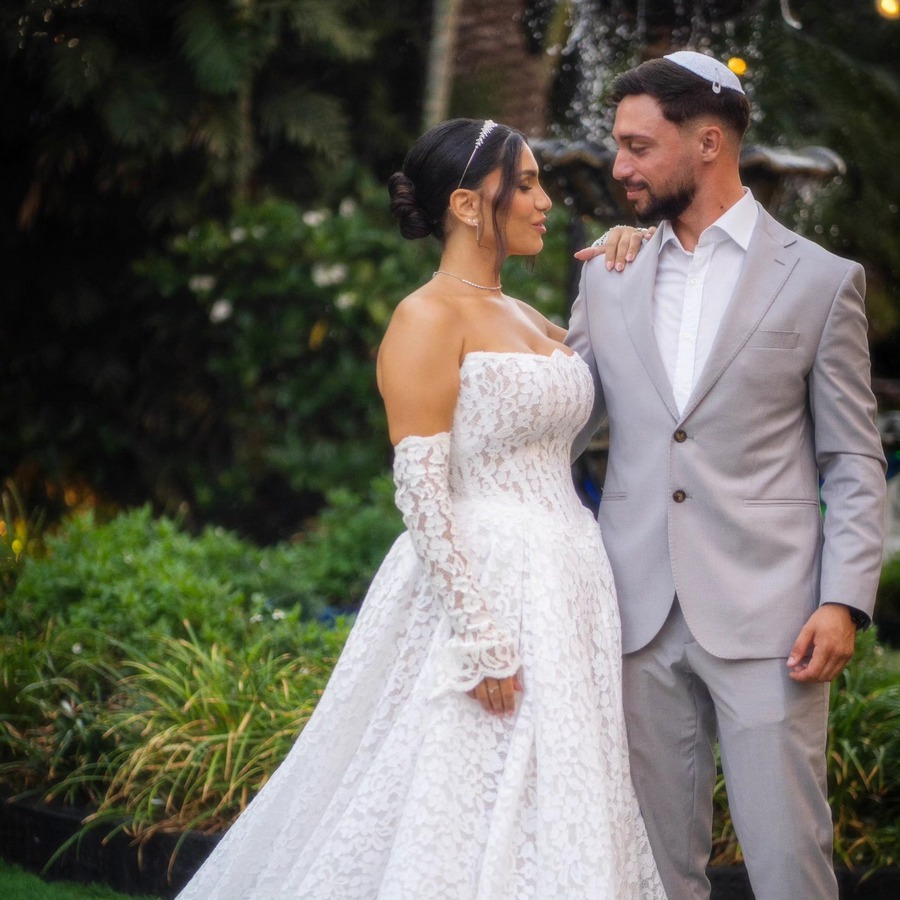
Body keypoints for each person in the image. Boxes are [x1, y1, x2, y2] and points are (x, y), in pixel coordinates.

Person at [175, 118, 666, 899]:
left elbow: (605, 378)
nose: (545, 201)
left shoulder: (529, 317)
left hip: (570, 582)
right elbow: (422, 489)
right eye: (526, 185)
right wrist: (477, 634)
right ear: (468, 205)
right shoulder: (426, 317)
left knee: (561, 789)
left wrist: (627, 257)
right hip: (485, 588)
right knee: (456, 787)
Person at [567, 51, 886, 900]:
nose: (619, 167)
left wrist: (844, 599)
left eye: (638, 147)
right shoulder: (607, 274)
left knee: (788, 864)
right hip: (636, 614)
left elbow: (853, 458)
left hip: (774, 621)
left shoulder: (821, 281)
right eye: (617, 146)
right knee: (652, 872)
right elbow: (560, 422)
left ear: (708, 142)